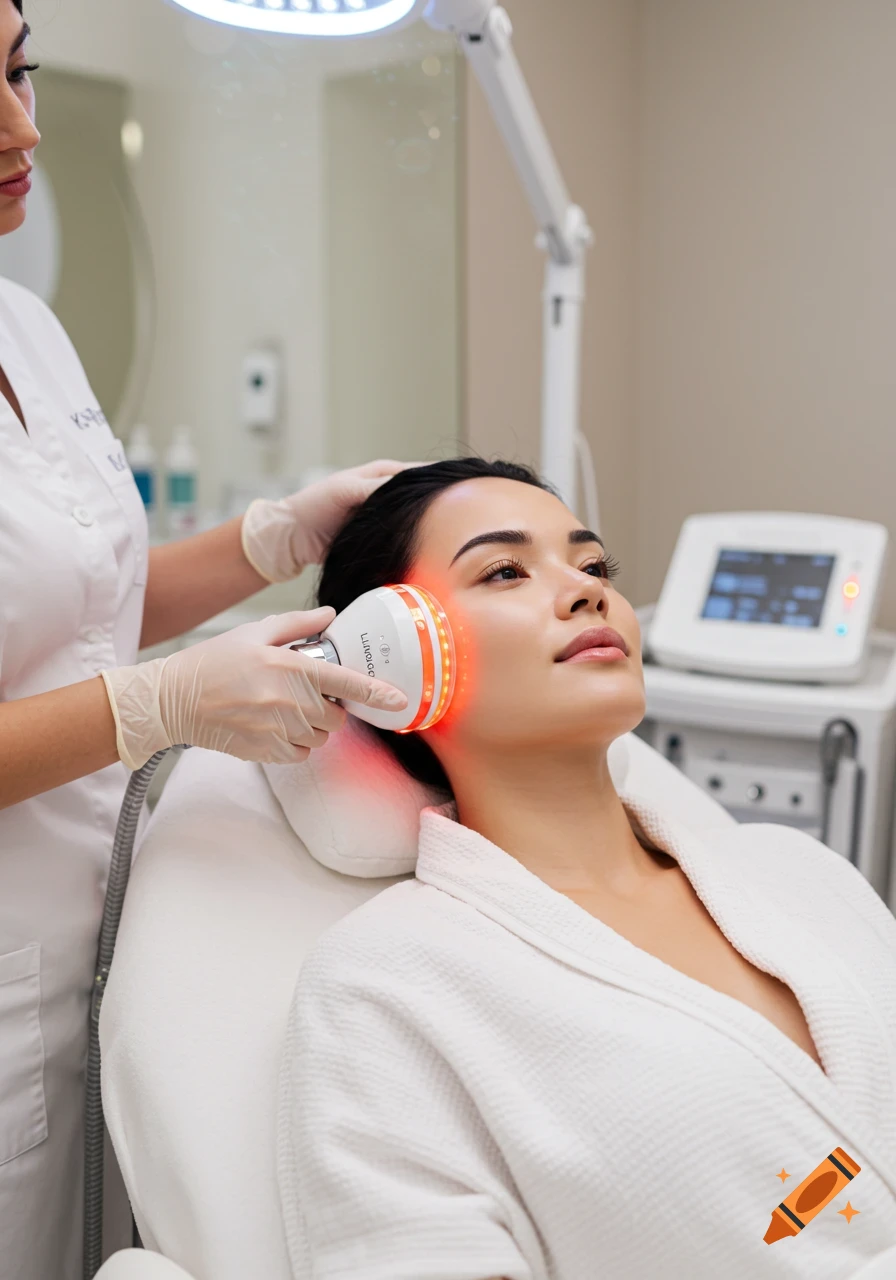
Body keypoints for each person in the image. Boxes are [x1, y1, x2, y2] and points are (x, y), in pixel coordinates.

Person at [0, 7, 409, 1277]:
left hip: (112, 934)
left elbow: (86, 596)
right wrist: (158, 708)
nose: (24, 125)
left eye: (16, 68)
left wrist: (278, 531)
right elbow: (117, 669)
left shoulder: (25, 322)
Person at [280, 458, 896, 1280]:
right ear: (391, 658)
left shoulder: (797, 869)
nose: (585, 590)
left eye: (594, 564)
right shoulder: (386, 987)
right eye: (505, 570)